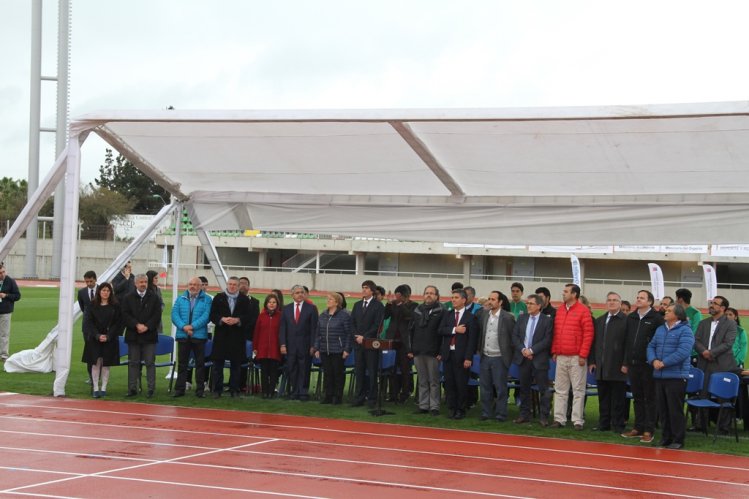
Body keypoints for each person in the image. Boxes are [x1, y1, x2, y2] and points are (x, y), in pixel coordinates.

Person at [647, 304, 694, 449]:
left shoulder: (685, 331)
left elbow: (683, 351)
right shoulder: (661, 329)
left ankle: (678, 439)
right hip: (660, 375)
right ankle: (665, 438)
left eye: (669, 311)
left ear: (677, 314)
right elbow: (651, 346)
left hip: (676, 376)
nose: (665, 312)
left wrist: (664, 363)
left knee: (675, 409)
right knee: (663, 409)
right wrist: (653, 360)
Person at [622, 289, 664, 443]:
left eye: (642, 298)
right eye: (637, 297)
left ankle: (649, 429)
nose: (638, 299)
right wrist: (625, 362)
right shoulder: (631, 317)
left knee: (650, 398)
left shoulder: (657, 318)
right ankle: (638, 427)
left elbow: (659, 342)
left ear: (650, 302)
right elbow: (626, 341)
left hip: (648, 365)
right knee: (638, 397)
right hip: (633, 364)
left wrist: (654, 360)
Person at [550, 284, 594, 430]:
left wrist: (583, 354)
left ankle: (577, 420)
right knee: (560, 389)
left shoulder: (583, 311)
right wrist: (555, 350)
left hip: (576, 357)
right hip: (562, 356)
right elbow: (557, 332)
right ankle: (559, 419)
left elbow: (588, 334)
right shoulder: (561, 310)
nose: (563, 293)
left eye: (566, 291)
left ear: (574, 294)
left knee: (578, 390)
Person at [693, 295, 738, 433]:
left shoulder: (730, 324)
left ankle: (723, 426)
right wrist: (704, 352)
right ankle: (701, 424)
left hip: (722, 364)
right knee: (703, 393)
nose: (711, 305)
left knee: (722, 396)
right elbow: (696, 340)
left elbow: (728, 343)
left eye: (715, 303)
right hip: (704, 363)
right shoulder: (703, 323)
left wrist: (711, 353)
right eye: (711, 303)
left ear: (723, 308)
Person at [589, 292, 628, 433]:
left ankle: (618, 425)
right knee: (603, 397)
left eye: (615, 300)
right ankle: (604, 423)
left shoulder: (626, 321)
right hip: (601, 366)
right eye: (609, 300)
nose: (611, 302)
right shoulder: (600, 320)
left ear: (620, 303)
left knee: (618, 398)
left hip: (618, 366)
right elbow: (594, 343)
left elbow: (628, 345)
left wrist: (626, 363)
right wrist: (592, 361)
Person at [512, 293, 553, 426]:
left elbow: (547, 340)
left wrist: (532, 350)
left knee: (543, 390)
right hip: (523, 359)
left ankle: (544, 417)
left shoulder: (547, 320)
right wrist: (523, 350)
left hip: (539, 359)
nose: (528, 306)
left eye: (531, 303)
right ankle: (524, 415)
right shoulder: (522, 318)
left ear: (539, 306)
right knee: (524, 388)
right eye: (527, 303)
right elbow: (515, 337)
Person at [476, 290, 516, 422]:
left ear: (500, 302)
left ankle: (501, 414)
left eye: (493, 299)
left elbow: (512, 338)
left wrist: (508, 358)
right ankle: (486, 412)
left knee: (500, 388)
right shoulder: (484, 315)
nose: (490, 301)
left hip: (500, 358)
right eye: (489, 299)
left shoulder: (508, 318)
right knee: (485, 387)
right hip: (485, 356)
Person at [209, 276, 252, 398]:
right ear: (227, 285)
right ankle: (217, 390)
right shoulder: (219, 298)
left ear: (238, 286)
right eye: (230, 284)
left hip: (237, 337)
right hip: (221, 336)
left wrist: (238, 320)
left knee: (236, 365)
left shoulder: (244, 300)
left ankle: (234, 390)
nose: (232, 286)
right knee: (218, 365)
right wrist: (222, 319)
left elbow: (249, 317)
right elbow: (212, 315)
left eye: (234, 284)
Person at [438, 288, 477, 420]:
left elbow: (472, 340)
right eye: (452, 297)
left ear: (464, 300)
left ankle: (461, 409)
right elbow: (441, 330)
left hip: (462, 356)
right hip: (448, 354)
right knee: (449, 383)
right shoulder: (447, 315)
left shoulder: (470, 317)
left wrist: (468, 357)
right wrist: (455, 329)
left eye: (456, 297)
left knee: (461, 383)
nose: (453, 300)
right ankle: (451, 408)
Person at [121, 273, 162, 397]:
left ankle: (151, 389)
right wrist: (136, 325)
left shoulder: (154, 298)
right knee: (133, 363)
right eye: (141, 282)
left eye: (145, 282)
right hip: (133, 335)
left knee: (150, 363)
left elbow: (157, 315)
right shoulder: (127, 297)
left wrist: (147, 326)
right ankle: (132, 388)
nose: (143, 284)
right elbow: (124, 314)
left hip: (149, 336)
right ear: (135, 284)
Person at [171, 277, 212, 398]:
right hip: (183, 335)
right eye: (190, 284)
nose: (192, 286)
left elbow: (206, 316)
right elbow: (174, 315)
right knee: (182, 364)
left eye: (195, 284)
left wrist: (192, 327)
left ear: (200, 286)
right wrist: (184, 327)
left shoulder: (207, 299)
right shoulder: (180, 298)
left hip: (199, 336)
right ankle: (179, 389)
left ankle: (200, 391)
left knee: (200, 364)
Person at [408, 285, 444, 416]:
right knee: (422, 380)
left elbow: (443, 334)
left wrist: (441, 351)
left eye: (431, 293)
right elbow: (411, 330)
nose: (428, 295)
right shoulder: (417, 310)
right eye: (426, 293)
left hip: (433, 351)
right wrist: (411, 349)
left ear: (436, 296)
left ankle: (434, 406)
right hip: (418, 351)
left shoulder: (441, 311)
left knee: (434, 381)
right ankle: (423, 405)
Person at [82, 282, 121, 398]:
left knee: (106, 364)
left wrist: (108, 335)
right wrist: (97, 335)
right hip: (94, 339)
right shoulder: (92, 305)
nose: (105, 293)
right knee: (95, 363)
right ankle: (95, 388)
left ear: (111, 292)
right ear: (99, 291)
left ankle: (103, 388)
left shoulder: (116, 306)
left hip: (110, 339)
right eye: (103, 290)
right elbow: (88, 322)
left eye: (108, 291)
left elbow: (117, 323)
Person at [279, 284, 318, 401]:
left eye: (302, 292)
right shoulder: (286, 309)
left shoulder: (311, 308)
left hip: (306, 345)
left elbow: (314, 329)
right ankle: (294, 391)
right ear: (292, 295)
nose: (300, 294)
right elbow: (282, 328)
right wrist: (283, 344)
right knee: (292, 368)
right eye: (297, 292)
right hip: (290, 346)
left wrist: (313, 345)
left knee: (304, 369)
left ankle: (303, 392)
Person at [350, 280, 385, 407]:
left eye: (366, 288)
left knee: (372, 372)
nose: (364, 290)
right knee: (359, 371)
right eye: (363, 287)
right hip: (358, 344)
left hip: (371, 344)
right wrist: (357, 336)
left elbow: (377, 325)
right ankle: (359, 397)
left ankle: (372, 398)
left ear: (372, 291)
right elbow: (352, 322)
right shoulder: (357, 305)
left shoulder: (378, 306)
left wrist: (364, 337)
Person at [314, 292, 353, 405]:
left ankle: (338, 396)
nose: (328, 301)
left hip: (338, 350)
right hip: (325, 349)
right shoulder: (323, 315)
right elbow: (318, 333)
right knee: (328, 373)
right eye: (328, 299)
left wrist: (346, 349)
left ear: (337, 302)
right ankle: (328, 396)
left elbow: (348, 334)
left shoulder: (344, 315)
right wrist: (317, 347)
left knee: (337, 374)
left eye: (330, 299)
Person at [383, 284, 418, 403]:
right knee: (391, 368)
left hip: (405, 342)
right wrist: (388, 303)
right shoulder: (392, 304)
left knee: (405, 369)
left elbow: (409, 316)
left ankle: (405, 393)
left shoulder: (414, 305)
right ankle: (393, 393)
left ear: (405, 296)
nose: (397, 297)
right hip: (392, 340)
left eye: (399, 296)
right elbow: (385, 316)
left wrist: (400, 304)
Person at [253, 294, 283, 398]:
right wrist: (255, 348)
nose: (272, 304)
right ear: (266, 303)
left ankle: (271, 391)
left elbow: (282, 333)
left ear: (277, 304)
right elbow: (256, 332)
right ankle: (264, 391)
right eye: (270, 302)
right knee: (264, 371)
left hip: (275, 348)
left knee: (274, 372)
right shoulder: (261, 316)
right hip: (263, 348)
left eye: (274, 302)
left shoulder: (280, 316)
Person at [237, 277, 260, 394]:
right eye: (240, 283)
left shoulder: (255, 302)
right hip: (234, 335)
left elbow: (255, 319)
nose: (242, 286)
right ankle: (232, 384)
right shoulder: (232, 300)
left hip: (247, 337)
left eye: (245, 284)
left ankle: (242, 385)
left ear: (249, 286)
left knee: (244, 360)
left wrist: (242, 326)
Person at [77, 270, 98, 383]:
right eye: (87, 281)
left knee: (100, 353)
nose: (89, 283)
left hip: (101, 326)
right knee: (90, 352)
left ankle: (100, 375)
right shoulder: (81, 292)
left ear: (95, 279)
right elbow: (83, 307)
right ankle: (91, 377)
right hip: (87, 327)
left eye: (91, 281)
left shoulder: (103, 290)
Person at [0, 263, 21, 361]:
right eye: (0, 273)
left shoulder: (10, 281)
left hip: (5, 311)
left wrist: (6, 296)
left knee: (4, 334)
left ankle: (4, 355)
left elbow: (17, 296)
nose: (2, 274)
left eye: (4, 272)